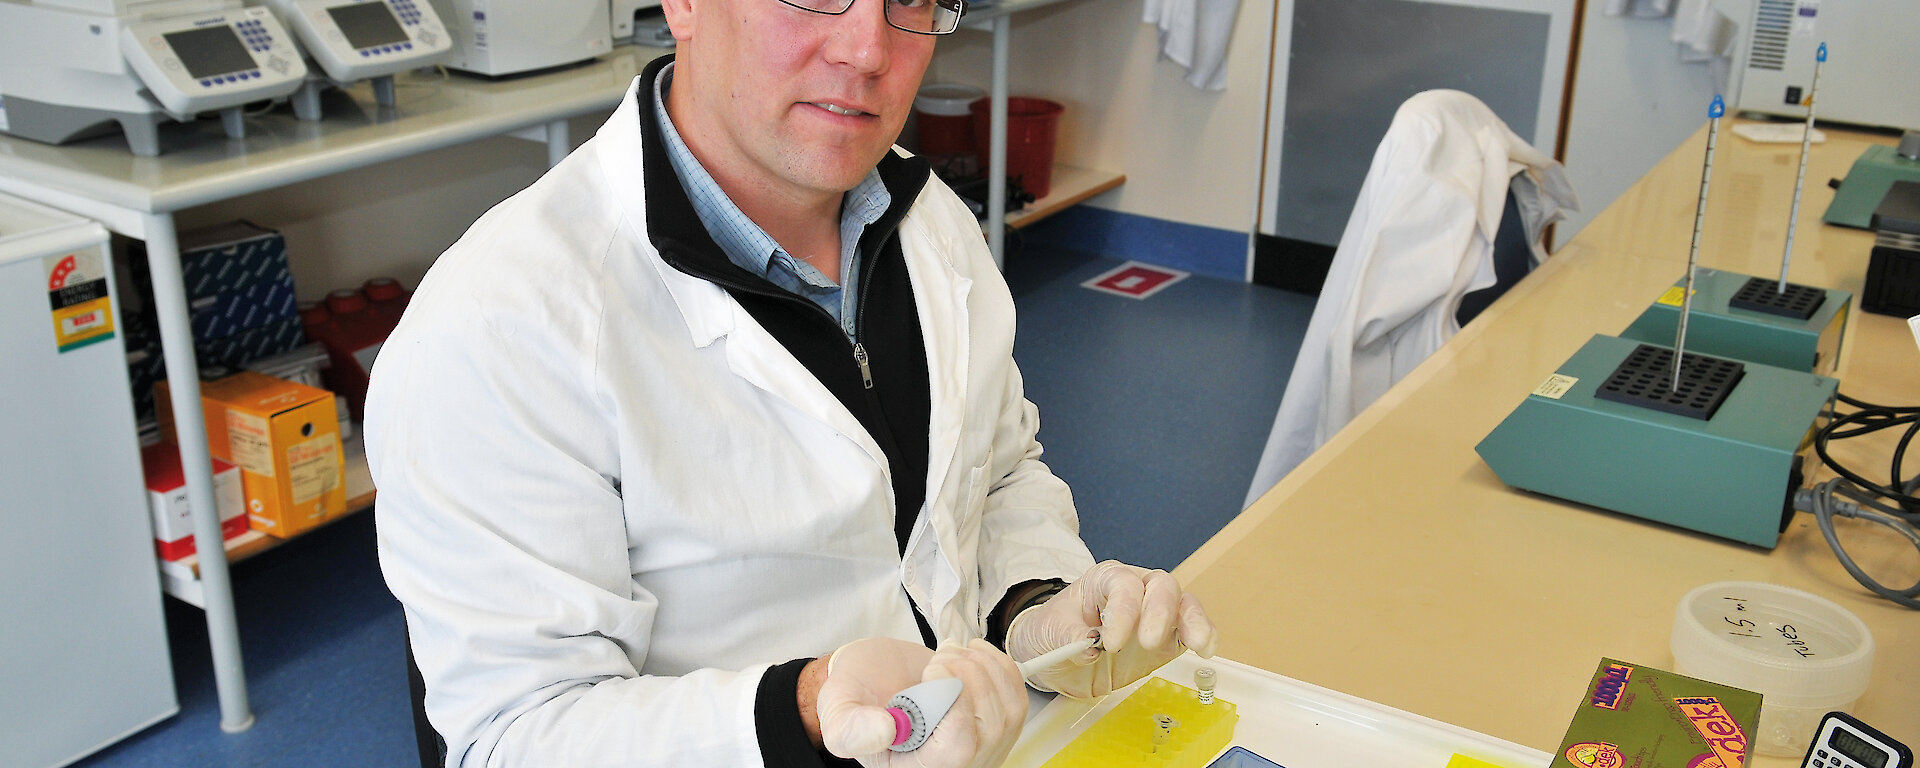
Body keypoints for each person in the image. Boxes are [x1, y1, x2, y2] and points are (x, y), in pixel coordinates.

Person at [364, 0, 1218, 761]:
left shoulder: (930, 223)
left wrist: (1042, 605)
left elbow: (993, 477)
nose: (868, 50)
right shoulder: (499, 329)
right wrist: (802, 713)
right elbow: (515, 736)